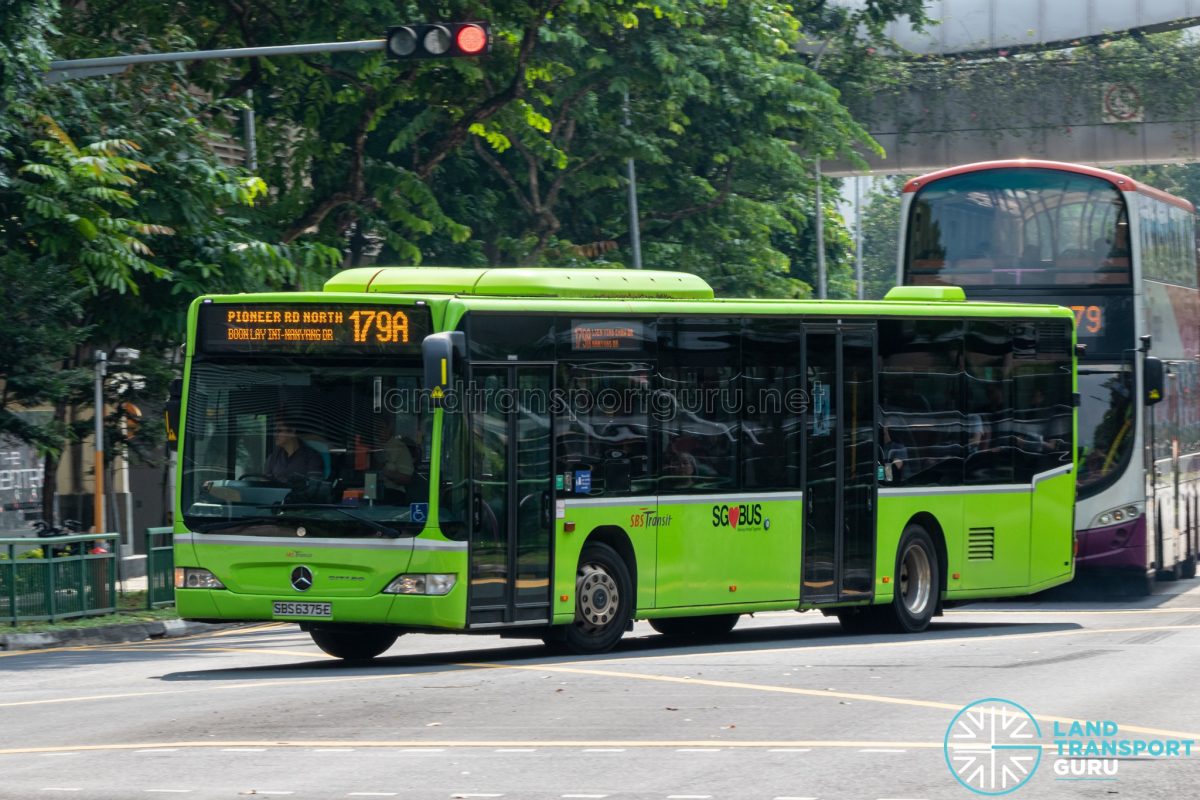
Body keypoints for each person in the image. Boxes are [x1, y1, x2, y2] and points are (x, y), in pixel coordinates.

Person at [265, 418, 324, 484]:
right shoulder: (273, 457)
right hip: (278, 494)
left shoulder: (312, 457)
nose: (275, 434)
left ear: (292, 431)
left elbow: (313, 487)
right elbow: (267, 485)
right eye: (274, 431)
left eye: (279, 431)